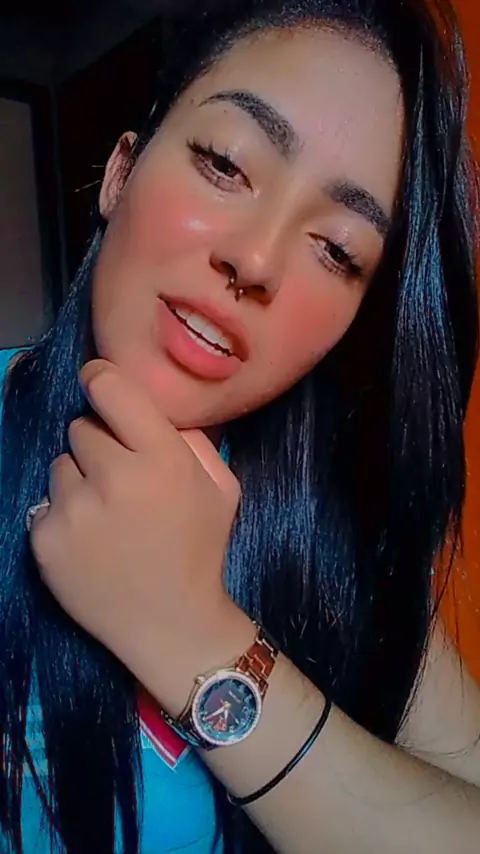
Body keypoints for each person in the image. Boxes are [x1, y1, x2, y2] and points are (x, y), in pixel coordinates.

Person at [1, 0, 480, 852]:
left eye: (337, 250)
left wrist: (197, 636)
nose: (255, 260)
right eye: (225, 163)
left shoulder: (343, 535)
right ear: (121, 172)